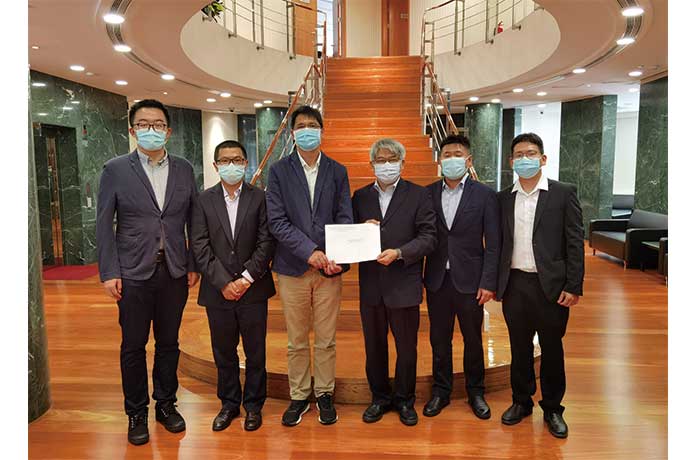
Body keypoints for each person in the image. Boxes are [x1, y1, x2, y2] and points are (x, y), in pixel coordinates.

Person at [96, 99, 200, 445]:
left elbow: (193, 219)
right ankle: (136, 412)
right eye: (143, 124)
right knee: (133, 345)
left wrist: (193, 263)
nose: (151, 130)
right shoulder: (115, 169)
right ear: (132, 130)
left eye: (158, 124)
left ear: (168, 131)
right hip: (132, 272)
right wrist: (109, 271)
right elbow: (104, 224)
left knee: (169, 343)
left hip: (174, 270)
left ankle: (166, 405)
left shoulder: (184, 168)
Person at [265, 105, 353, 426]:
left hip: (329, 268)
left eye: (312, 125)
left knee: (327, 338)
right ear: (292, 133)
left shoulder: (337, 171)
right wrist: (309, 252)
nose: (307, 130)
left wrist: (334, 255)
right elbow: (277, 221)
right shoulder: (278, 171)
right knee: (297, 339)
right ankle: (300, 394)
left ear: (321, 131)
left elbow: (344, 215)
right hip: (293, 267)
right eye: (300, 125)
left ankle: (325, 393)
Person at [497, 132, 584, 438]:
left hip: (552, 286)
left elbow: (575, 242)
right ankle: (521, 401)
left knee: (552, 348)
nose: (525, 159)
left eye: (531, 153)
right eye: (519, 154)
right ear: (511, 161)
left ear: (543, 159)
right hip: (515, 284)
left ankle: (552, 408)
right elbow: (498, 244)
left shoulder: (563, 193)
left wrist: (574, 285)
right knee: (519, 348)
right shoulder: (502, 198)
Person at [352, 138, 437, 426]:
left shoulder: (419, 195)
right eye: (381, 160)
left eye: (392, 159)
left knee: (406, 348)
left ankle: (404, 399)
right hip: (371, 286)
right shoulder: (360, 197)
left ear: (402, 163)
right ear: (371, 164)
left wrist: (400, 252)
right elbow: (348, 234)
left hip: (404, 283)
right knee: (374, 347)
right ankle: (379, 398)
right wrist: (359, 230)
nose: (386, 165)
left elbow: (429, 237)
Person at [191, 140, 275, 432]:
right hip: (217, 291)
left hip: (254, 288)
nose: (231, 165)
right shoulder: (202, 200)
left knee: (256, 352)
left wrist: (246, 278)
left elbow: (267, 241)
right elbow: (199, 245)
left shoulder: (261, 198)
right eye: (225, 161)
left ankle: (253, 405)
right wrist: (224, 282)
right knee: (224, 352)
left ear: (245, 163)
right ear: (216, 166)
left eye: (237, 160)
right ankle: (229, 404)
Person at [423, 134, 501, 419]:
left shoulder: (485, 195)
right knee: (439, 340)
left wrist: (488, 282)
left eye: (457, 154)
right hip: (437, 280)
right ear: (440, 160)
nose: (451, 159)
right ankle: (440, 391)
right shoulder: (427, 193)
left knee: (473, 339)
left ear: (468, 161)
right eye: (446, 155)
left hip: (471, 281)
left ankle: (475, 392)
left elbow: (493, 243)